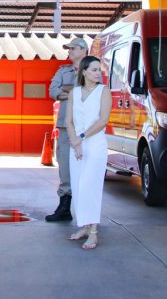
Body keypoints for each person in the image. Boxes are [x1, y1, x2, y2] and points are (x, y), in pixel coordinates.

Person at [65, 55, 112, 250]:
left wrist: (80, 138)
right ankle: (84, 226)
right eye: (93, 69)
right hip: (76, 146)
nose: (98, 73)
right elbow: (68, 121)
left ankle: (93, 232)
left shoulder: (104, 91)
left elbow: (103, 121)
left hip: (95, 145)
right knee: (77, 187)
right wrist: (75, 143)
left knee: (90, 187)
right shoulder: (74, 93)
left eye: (99, 69)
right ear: (84, 71)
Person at [45, 37, 88, 222]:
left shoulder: (92, 69)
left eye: (72, 48)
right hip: (65, 125)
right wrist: (71, 93)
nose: (69, 51)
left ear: (83, 50)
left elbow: (92, 93)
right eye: (68, 48)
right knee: (64, 166)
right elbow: (52, 91)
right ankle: (64, 207)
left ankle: (85, 209)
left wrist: (69, 93)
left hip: (86, 127)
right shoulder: (63, 71)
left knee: (86, 166)